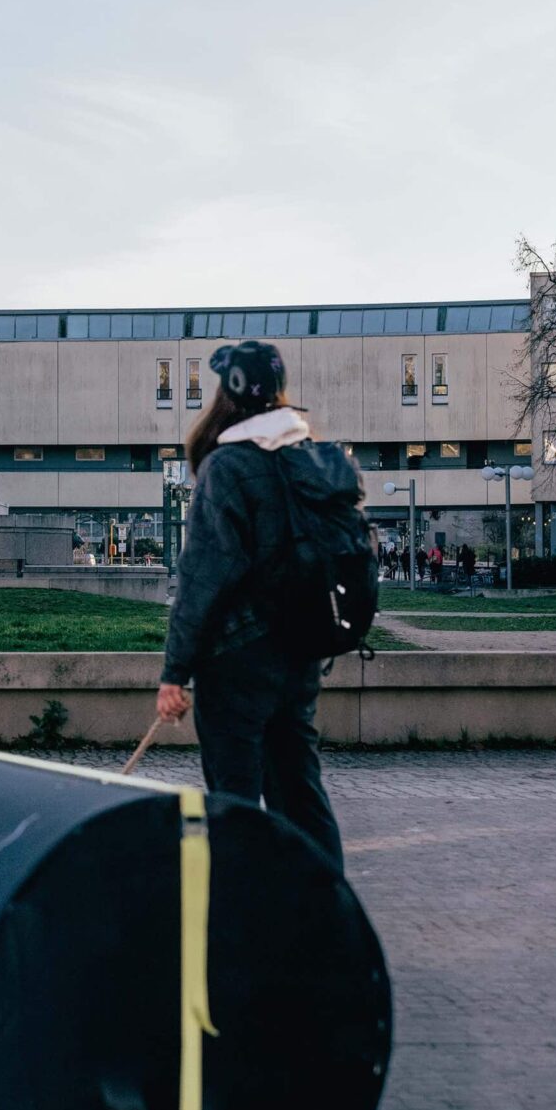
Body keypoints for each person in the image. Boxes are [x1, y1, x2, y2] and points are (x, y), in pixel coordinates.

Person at [154, 340, 349, 873]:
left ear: (229, 395)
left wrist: (175, 672)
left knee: (235, 802)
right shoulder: (307, 456)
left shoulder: (229, 467)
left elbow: (202, 579)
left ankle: (246, 925)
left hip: (237, 659)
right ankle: (325, 915)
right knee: (301, 794)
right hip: (303, 651)